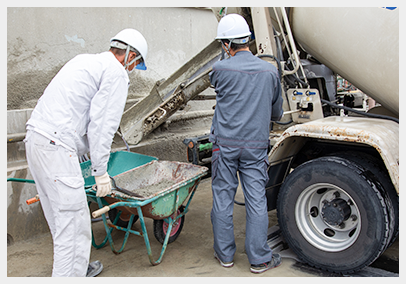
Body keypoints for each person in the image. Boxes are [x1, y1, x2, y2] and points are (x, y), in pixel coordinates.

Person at [24, 28, 148, 277]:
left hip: (36, 140)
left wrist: (83, 154)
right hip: (56, 148)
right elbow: (102, 127)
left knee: (62, 222)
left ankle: (77, 270)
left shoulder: (85, 60)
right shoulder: (115, 73)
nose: (133, 69)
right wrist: (100, 172)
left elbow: (74, 112)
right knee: (72, 226)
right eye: (136, 63)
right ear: (129, 55)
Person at [209, 14, 284, 274]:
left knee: (222, 198)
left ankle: (225, 256)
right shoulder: (270, 71)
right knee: (256, 201)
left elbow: (217, 86)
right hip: (255, 146)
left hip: (225, 146)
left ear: (227, 44)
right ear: (249, 40)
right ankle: (260, 259)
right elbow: (276, 114)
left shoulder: (219, 70)